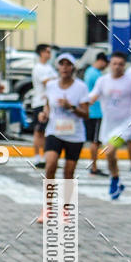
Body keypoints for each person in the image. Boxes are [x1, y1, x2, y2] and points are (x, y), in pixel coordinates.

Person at [87, 51, 131, 200]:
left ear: (124, 66)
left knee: (109, 152)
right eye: (114, 64)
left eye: (120, 64)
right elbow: (92, 97)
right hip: (108, 124)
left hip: (125, 124)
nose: (117, 67)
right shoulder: (103, 81)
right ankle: (116, 180)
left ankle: (114, 180)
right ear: (110, 64)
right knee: (111, 156)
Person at [36, 53, 89, 223]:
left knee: (69, 172)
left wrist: (71, 107)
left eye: (68, 64)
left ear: (72, 67)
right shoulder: (51, 85)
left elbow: (86, 114)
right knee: (50, 165)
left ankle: (66, 209)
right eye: (62, 64)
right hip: (55, 132)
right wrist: (44, 114)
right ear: (58, 67)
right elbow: (47, 105)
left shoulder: (80, 87)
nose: (65, 67)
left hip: (75, 135)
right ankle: (48, 208)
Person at [31, 44, 57, 168]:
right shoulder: (38, 67)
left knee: (47, 131)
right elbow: (48, 82)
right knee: (39, 131)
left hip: (50, 102)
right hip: (40, 102)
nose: (49, 54)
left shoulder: (49, 67)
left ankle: (46, 157)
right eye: (47, 51)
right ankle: (37, 157)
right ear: (41, 53)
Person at [83, 52, 108, 176]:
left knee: (95, 141)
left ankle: (94, 166)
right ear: (101, 61)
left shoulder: (89, 71)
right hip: (96, 112)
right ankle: (93, 167)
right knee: (95, 141)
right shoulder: (96, 74)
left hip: (91, 111)